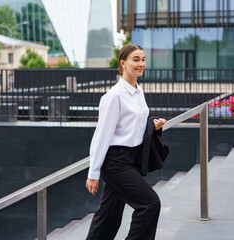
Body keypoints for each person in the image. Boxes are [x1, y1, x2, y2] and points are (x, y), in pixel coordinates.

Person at [85, 43, 167, 240]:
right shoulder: (114, 96)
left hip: (132, 157)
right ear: (123, 63)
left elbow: (132, 124)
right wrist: (93, 173)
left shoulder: (138, 90)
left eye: (143, 59)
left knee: (108, 216)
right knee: (150, 204)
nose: (141, 64)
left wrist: (152, 126)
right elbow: (102, 136)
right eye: (135, 60)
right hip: (116, 162)